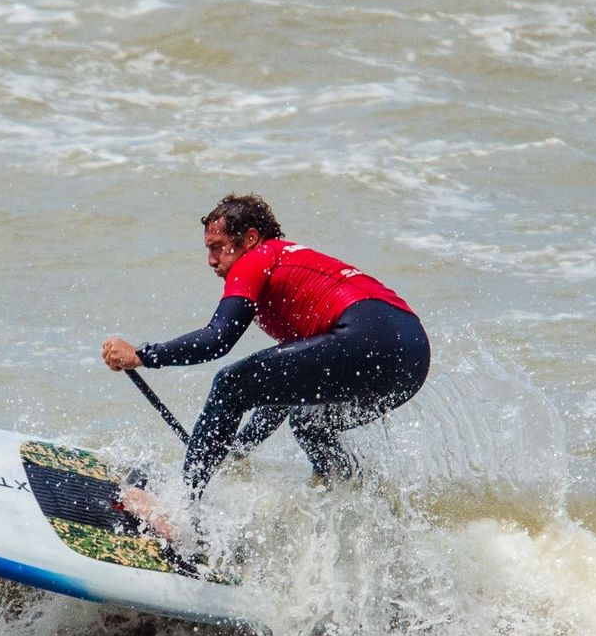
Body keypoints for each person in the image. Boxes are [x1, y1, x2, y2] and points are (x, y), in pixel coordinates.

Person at [101, 193, 430, 499]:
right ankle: (351, 498)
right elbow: (282, 392)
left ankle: (182, 506)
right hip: (411, 356)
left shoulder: (257, 258)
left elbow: (217, 340)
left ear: (250, 238)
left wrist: (142, 355)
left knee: (230, 383)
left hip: (366, 336)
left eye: (218, 247)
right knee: (309, 423)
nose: (211, 260)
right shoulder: (292, 273)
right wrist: (239, 449)